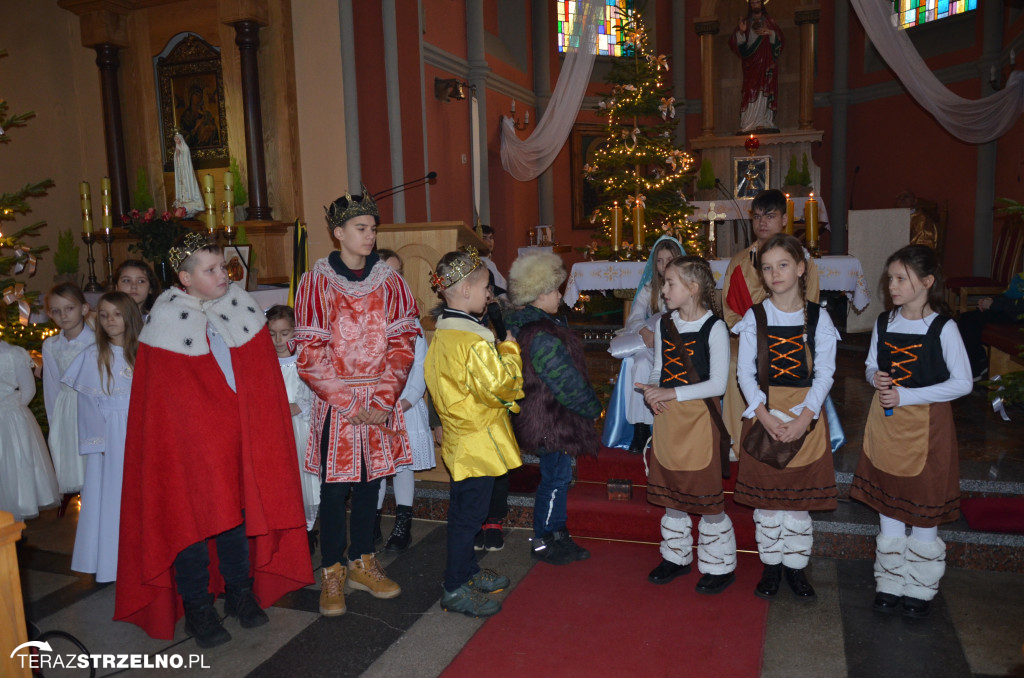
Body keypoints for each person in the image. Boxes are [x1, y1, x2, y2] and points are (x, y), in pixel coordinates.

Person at [115, 232, 312, 647]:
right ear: (185, 278)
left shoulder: (243, 307)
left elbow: (260, 380)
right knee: (190, 524)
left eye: (223, 267)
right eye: (211, 270)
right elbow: (162, 403)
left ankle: (239, 592)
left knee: (235, 519)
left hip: (240, 441)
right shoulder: (164, 321)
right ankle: (198, 606)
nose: (223, 275)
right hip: (190, 449)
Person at [293, 188, 420, 617]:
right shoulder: (316, 282)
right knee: (334, 489)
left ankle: (362, 561)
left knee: (371, 483)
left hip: (380, 398)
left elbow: (403, 345)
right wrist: (348, 403)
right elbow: (310, 355)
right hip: (338, 402)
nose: (370, 236)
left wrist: (383, 398)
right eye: (361, 228)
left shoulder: (390, 281)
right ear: (338, 233)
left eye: (373, 229)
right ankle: (331, 569)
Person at [850, 245, 972, 618]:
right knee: (889, 502)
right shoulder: (885, 322)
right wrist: (875, 377)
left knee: (922, 507)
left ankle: (920, 586)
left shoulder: (943, 327)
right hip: (887, 424)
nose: (893, 286)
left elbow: (963, 383)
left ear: (928, 281)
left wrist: (908, 396)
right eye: (890, 279)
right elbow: (871, 364)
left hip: (927, 426)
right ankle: (889, 580)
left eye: (901, 279)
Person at [733, 234, 840, 601]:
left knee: (797, 501)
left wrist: (804, 418)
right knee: (767, 501)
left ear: (800, 268)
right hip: (764, 412)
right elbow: (745, 373)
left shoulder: (818, 317)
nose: (775, 273)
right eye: (767, 268)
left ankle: (795, 566)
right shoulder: (755, 316)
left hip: (804, 413)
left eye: (782, 265)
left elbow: (825, 373)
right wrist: (763, 415)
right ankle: (771, 565)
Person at [425, 248, 523, 617]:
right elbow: (502, 387)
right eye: (486, 288)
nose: (489, 295)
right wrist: (509, 349)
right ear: (465, 290)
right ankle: (454, 587)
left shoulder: (445, 334)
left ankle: (467, 571)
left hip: (463, 439)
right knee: (468, 517)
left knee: (467, 511)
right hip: (476, 443)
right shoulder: (472, 341)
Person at [635, 256, 735, 594]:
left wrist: (670, 392)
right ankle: (675, 557)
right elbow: (658, 369)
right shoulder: (664, 324)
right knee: (671, 491)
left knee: (706, 494)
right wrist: (653, 392)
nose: (663, 289)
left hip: (700, 421)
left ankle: (719, 564)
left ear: (692, 288)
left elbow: (718, 384)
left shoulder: (714, 327)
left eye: (670, 283)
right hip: (669, 419)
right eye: (664, 283)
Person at [507, 251, 602, 566]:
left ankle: (558, 532)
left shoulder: (538, 325)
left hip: (551, 415)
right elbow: (564, 380)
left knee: (559, 478)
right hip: (551, 417)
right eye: (555, 290)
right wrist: (591, 407)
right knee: (554, 480)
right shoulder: (542, 334)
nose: (560, 296)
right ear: (539, 293)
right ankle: (543, 539)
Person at [723, 189, 820, 459]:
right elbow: (729, 311)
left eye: (770, 216)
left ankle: (796, 429)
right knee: (733, 364)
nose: (762, 222)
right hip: (748, 338)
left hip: (793, 336)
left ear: (784, 219)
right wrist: (753, 334)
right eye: (757, 217)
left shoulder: (803, 262)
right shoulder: (739, 263)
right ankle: (736, 441)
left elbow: (810, 307)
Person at [62, 292, 142, 583]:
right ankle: (114, 561)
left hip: (141, 430)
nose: (110, 320)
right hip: (111, 436)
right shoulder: (93, 356)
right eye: (104, 315)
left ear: (130, 316)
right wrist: (100, 444)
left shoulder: (145, 351)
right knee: (112, 497)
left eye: (117, 314)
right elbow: (88, 406)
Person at [373, 249, 436, 553]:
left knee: (401, 466)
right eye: (386, 272)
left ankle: (403, 524)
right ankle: (371, 522)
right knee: (374, 468)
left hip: (403, 407)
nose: (393, 278)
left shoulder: (409, 318)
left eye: (397, 273)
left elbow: (420, 368)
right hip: (371, 408)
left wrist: (403, 404)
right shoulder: (361, 317)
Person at [604, 235, 685, 453]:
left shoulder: (687, 286)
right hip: (652, 343)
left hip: (678, 345)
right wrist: (644, 331)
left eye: (669, 260)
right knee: (639, 364)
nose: (664, 265)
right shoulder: (650, 288)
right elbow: (635, 316)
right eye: (659, 261)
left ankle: (664, 428)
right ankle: (641, 429)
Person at [266, 304, 319, 557]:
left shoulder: (304, 362)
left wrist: (296, 407)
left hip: (301, 429)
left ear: (296, 332)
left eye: (285, 333)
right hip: (274, 432)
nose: (278, 340)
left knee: (305, 481)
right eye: (272, 334)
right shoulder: (265, 363)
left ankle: (308, 530)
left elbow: (316, 394)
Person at [42, 283, 93, 513]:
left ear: (84, 308)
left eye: (69, 308)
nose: (63, 315)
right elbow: (52, 385)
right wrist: (54, 422)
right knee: (75, 464)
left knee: (93, 464)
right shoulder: (51, 345)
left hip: (91, 407)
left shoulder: (96, 341)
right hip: (66, 410)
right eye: (56, 311)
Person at [0, 339, 60, 522]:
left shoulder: (14, 354)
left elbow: (28, 389)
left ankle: (14, 525)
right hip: (9, 415)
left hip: (10, 420)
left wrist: (10, 410)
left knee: (15, 469)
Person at [957, 270, 1024, 381]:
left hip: (1018, 318)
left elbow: (1020, 308)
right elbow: (1007, 295)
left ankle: (976, 367)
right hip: (1011, 313)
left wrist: (993, 305)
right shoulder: (1020, 278)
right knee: (965, 318)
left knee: (972, 322)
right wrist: (990, 300)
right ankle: (977, 362)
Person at [728, 0, 784, 132]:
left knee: (764, 88)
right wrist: (741, 32)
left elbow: (780, 40)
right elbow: (735, 44)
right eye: (752, 3)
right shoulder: (746, 22)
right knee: (750, 90)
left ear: (762, 3)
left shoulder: (769, 21)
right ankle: (748, 122)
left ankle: (763, 121)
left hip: (765, 61)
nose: (755, 5)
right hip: (750, 64)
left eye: (757, 2)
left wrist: (770, 33)